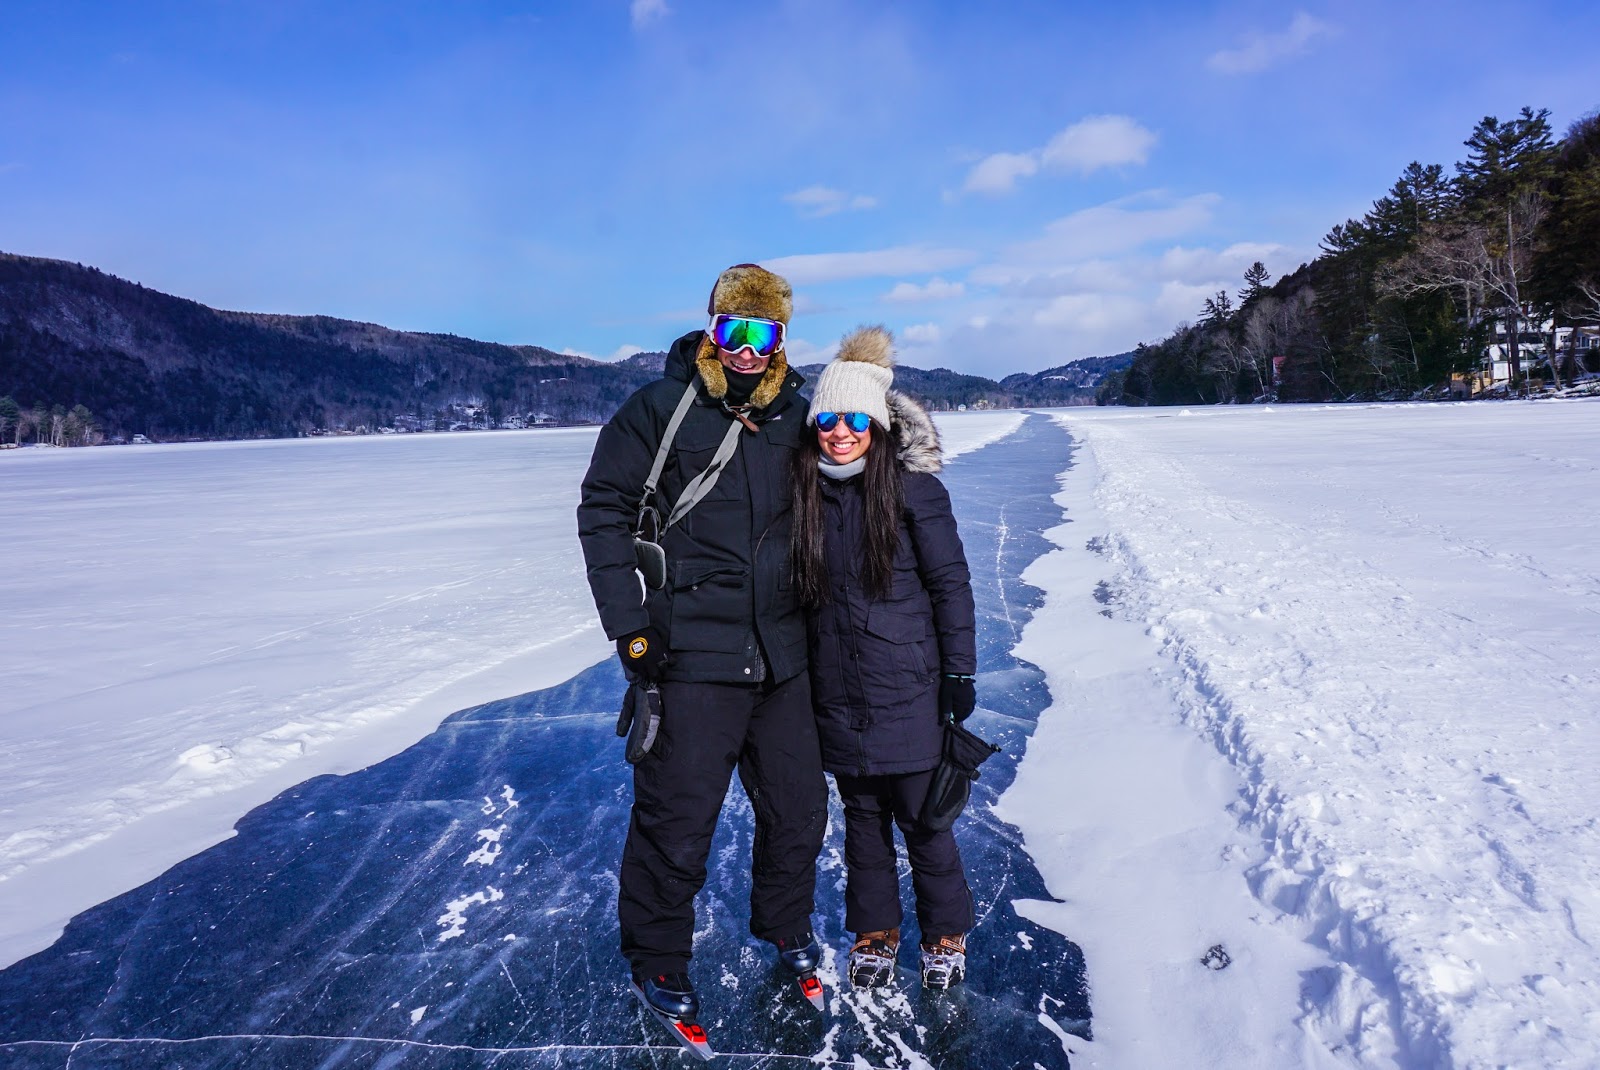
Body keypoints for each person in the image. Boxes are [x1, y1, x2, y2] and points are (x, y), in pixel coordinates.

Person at [575, 264, 827, 1024]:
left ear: (782, 340)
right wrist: (633, 630)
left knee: (799, 810)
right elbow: (602, 513)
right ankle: (657, 963)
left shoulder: (800, 417)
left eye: (764, 333)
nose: (747, 348)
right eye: (733, 329)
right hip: (691, 657)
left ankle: (785, 929)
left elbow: (853, 490)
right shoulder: (659, 410)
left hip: (784, 656)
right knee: (677, 821)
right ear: (713, 329)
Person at [790, 325, 979, 990]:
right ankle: (876, 934)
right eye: (828, 420)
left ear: (876, 423)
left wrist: (959, 672)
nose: (841, 432)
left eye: (854, 420)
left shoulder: (912, 490)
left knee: (926, 821)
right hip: (837, 690)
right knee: (863, 824)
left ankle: (944, 933)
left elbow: (950, 585)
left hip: (907, 687)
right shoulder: (806, 492)